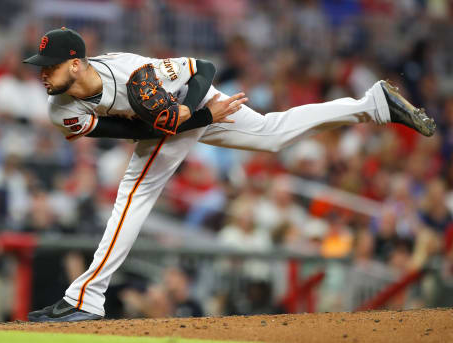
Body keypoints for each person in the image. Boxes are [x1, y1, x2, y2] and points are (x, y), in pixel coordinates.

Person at [24, 28, 435, 322]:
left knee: (136, 192)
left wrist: (200, 111)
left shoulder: (135, 74)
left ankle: (86, 298)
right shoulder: (60, 109)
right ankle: (374, 104)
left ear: (75, 64)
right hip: (176, 116)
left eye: (50, 65)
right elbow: (138, 131)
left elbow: (203, 66)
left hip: (190, 96)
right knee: (271, 135)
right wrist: (201, 119)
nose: (42, 72)